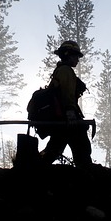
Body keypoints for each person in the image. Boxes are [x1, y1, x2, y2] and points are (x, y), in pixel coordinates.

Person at [39, 40, 93, 168]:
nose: (78, 60)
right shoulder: (65, 71)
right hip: (67, 119)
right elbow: (67, 93)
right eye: (75, 56)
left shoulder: (60, 70)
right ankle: (88, 176)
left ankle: (34, 169)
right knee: (82, 148)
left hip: (61, 120)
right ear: (67, 54)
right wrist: (70, 113)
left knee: (54, 148)